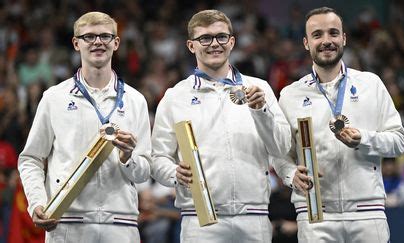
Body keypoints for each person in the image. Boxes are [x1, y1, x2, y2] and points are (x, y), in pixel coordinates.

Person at [150, 9, 291, 243]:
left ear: (232, 41)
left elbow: (282, 147)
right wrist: (174, 173)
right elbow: (157, 159)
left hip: (254, 217)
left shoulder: (260, 88)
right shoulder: (175, 96)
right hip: (201, 219)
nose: (214, 44)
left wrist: (261, 111)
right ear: (191, 46)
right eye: (205, 38)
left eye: (221, 37)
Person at [18, 11, 152, 243]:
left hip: (120, 223)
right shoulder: (54, 98)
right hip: (67, 221)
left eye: (105, 36)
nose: (98, 42)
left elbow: (143, 172)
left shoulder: (135, 100)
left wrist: (127, 157)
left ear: (116, 43)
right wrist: (38, 202)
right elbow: (31, 158)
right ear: (76, 43)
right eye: (89, 36)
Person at [278, 7, 404, 242]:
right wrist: (289, 175)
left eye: (333, 33)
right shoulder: (290, 95)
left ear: (344, 38)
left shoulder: (371, 84)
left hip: (367, 214)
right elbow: (279, 153)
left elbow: (399, 141)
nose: (326, 40)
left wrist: (364, 140)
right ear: (306, 43)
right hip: (315, 215)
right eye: (317, 35)